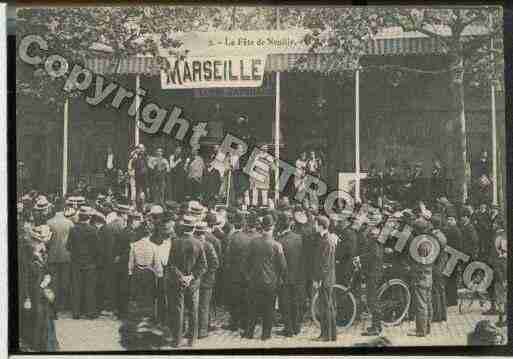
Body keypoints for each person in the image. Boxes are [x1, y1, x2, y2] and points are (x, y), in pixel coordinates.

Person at [244, 215, 287, 340]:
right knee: (269, 309)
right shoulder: (276, 245)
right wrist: (280, 278)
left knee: (252, 308)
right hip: (270, 283)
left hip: (254, 281)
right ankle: (265, 334)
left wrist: (248, 276)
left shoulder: (253, 242)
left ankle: (249, 332)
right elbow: (283, 266)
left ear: (262, 228)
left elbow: (246, 262)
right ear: (272, 228)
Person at [167, 215, 207, 348]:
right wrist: (191, 277)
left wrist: (181, 277)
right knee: (193, 311)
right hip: (193, 284)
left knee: (178, 310)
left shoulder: (175, 242)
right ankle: (192, 340)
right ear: (194, 228)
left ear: (183, 227)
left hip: (178, 282)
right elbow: (203, 266)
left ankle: (177, 340)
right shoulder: (199, 243)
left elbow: (171, 264)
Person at [26, 225, 59, 351]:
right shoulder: (31, 258)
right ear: (35, 243)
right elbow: (29, 277)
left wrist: (48, 277)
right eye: (40, 242)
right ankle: (39, 344)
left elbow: (47, 270)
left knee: (45, 317)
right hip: (36, 291)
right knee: (40, 317)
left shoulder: (41, 254)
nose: (43, 245)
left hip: (42, 291)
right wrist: (44, 282)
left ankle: (45, 344)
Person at [66, 206, 100, 319]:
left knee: (76, 287)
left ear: (79, 217)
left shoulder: (73, 229)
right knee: (89, 288)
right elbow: (97, 248)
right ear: (88, 218)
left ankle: (76, 312)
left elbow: (68, 246)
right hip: (90, 263)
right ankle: (90, 312)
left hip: (76, 262)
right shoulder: (93, 230)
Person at [128, 215, 164, 319]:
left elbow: (131, 261)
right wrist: (159, 274)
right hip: (149, 272)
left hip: (137, 270)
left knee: (138, 294)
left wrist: (130, 272)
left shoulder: (134, 245)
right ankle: (147, 315)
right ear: (149, 234)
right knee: (149, 294)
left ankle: (138, 314)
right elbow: (157, 263)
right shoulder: (154, 247)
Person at [277, 211, 305, 337]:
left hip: (284, 277)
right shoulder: (299, 238)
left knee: (284, 303)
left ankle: (288, 329)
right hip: (298, 276)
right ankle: (296, 327)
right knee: (295, 302)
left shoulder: (279, 241)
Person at [113, 209, 143, 320]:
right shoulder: (132, 234)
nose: (138, 223)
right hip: (128, 264)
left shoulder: (122, 231)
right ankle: (125, 312)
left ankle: (120, 311)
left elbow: (116, 250)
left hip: (121, 264)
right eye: (137, 220)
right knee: (127, 289)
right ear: (133, 221)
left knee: (121, 288)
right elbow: (131, 251)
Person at [46, 204, 75, 313]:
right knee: (65, 281)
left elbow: (47, 240)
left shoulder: (49, 222)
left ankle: (54, 305)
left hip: (53, 255)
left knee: (54, 281)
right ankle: (63, 305)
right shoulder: (69, 223)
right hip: (66, 254)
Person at [313, 215, 337, 341]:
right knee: (328, 305)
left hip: (325, 279)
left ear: (321, 226)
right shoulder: (326, 239)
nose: (314, 226)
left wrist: (319, 280)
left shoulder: (326, 241)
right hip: (328, 278)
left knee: (325, 306)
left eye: (316, 224)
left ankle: (326, 335)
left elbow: (325, 264)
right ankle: (331, 335)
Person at [195, 221, 219, 339]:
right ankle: (202, 331)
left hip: (194, 279)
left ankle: (193, 330)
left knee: (193, 306)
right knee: (204, 306)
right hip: (206, 281)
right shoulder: (208, 245)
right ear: (204, 232)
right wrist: (208, 274)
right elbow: (215, 263)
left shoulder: (193, 243)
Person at [431, 214, 448, 322]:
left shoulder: (434, 236)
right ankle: (443, 315)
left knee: (435, 291)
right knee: (441, 290)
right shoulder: (442, 235)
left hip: (437, 265)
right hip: (442, 264)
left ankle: (437, 315)